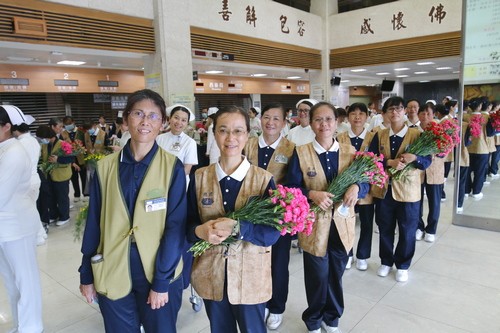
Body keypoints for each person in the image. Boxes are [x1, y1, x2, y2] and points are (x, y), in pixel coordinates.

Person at [79, 89, 187, 332]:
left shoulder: (172, 167)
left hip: (158, 267)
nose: (145, 121)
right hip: (113, 265)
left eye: (153, 116)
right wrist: (86, 271)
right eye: (138, 113)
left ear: (162, 124)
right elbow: (94, 222)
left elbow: (175, 228)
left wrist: (161, 281)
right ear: (126, 119)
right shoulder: (105, 167)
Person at [187, 105, 280, 333]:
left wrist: (239, 227)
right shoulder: (199, 178)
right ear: (214, 133)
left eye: (238, 131)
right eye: (223, 130)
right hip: (211, 275)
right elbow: (186, 224)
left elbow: (272, 233)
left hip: (251, 278)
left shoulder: (263, 180)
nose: (230, 138)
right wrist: (200, 232)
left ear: (247, 135)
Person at [287, 102, 369, 333]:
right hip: (314, 226)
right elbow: (291, 188)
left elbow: (365, 181)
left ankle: (332, 317)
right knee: (317, 275)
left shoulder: (350, 152)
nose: (324, 124)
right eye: (318, 120)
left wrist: (357, 187)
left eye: (329, 119)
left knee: (336, 273)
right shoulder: (301, 153)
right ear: (311, 123)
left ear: (337, 122)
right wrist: (311, 194)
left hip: (343, 224)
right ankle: (313, 319)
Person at [243, 102, 296, 330]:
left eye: (276, 118)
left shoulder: (292, 149)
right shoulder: (248, 144)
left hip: (277, 217)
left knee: (278, 263)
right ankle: (260, 300)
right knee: (254, 260)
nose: (270, 122)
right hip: (251, 214)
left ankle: (276, 307)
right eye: (266, 117)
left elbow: (294, 184)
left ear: (284, 123)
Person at [368, 96, 432, 283]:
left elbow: (426, 161)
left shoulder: (417, 135)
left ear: (405, 111)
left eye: (398, 109)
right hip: (385, 190)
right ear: (385, 114)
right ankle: (386, 261)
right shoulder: (379, 135)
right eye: (390, 109)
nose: (394, 112)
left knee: (407, 229)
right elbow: (372, 159)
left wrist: (415, 159)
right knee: (385, 227)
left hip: (408, 191)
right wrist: (389, 161)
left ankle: (403, 264)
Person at [0, 105, 44, 333]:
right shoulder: (3, 149)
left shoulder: (15, 152)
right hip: (3, 229)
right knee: (11, 282)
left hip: (16, 226)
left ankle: (32, 327)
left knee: (26, 282)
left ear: (7, 127)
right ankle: (20, 326)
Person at [336, 102, 375, 271]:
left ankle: (363, 255)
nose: (357, 117)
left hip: (366, 188)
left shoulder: (375, 136)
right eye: (353, 114)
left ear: (367, 117)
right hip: (344, 187)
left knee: (366, 223)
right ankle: (348, 253)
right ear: (348, 116)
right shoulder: (340, 137)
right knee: (346, 221)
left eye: (361, 114)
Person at [12, 115, 48, 246]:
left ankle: (38, 235)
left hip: (26, 181)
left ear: (15, 130)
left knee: (29, 209)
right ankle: (41, 233)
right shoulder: (33, 140)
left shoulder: (20, 144)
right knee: (32, 207)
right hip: (35, 178)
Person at [416, 104, 444, 243]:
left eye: (428, 113)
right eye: (422, 113)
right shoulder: (413, 131)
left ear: (434, 115)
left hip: (435, 171)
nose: (425, 116)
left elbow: (446, 150)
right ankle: (419, 227)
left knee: (434, 202)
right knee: (416, 201)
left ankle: (431, 229)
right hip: (417, 172)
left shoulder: (440, 131)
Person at [37, 125, 74, 226]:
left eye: (43, 138)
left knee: (61, 197)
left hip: (61, 175)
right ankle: (53, 214)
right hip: (48, 175)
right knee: (50, 196)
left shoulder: (63, 144)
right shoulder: (45, 145)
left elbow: (71, 159)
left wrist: (58, 159)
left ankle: (64, 216)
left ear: (49, 136)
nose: (42, 140)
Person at [157, 104, 198, 176]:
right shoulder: (159, 138)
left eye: (183, 120)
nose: (179, 122)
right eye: (176, 118)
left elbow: (187, 170)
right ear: (169, 118)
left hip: (179, 182)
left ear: (187, 123)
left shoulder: (190, 143)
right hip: (159, 180)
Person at [61, 116, 88, 203]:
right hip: (70, 159)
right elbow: (62, 147)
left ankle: (85, 193)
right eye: (66, 125)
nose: (68, 126)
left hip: (81, 157)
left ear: (73, 122)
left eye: (69, 124)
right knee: (74, 177)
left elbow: (86, 143)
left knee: (84, 176)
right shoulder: (63, 134)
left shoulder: (81, 131)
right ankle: (76, 194)